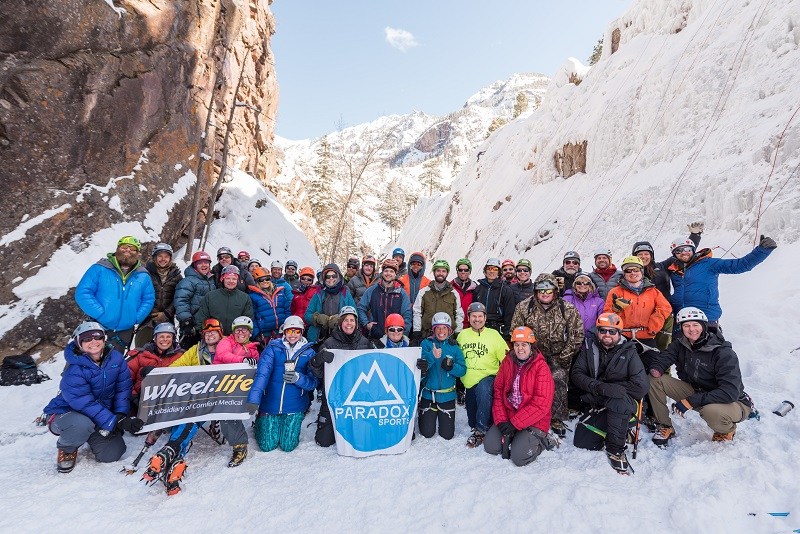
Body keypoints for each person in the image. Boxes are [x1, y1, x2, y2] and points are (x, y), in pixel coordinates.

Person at [43, 322, 143, 473]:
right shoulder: (74, 369)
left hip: (98, 415)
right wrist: (113, 421)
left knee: (112, 453)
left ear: (104, 339)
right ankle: (67, 447)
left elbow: (123, 387)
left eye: (98, 337)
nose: (93, 342)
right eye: (87, 339)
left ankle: (90, 435)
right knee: (81, 425)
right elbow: (84, 403)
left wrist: (121, 414)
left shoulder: (116, 358)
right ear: (78, 342)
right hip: (67, 412)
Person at [648, 307, 754, 447]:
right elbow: (665, 357)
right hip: (699, 392)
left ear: (704, 326)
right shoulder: (681, 344)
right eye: (686, 325)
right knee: (654, 380)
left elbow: (730, 392)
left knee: (710, 411)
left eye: (695, 325)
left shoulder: (723, 353)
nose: (691, 329)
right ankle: (665, 426)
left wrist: (691, 401)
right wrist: (657, 368)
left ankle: (726, 430)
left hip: (732, 402)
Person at [571, 313, 649, 474]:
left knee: (617, 400)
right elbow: (577, 374)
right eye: (603, 330)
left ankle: (616, 449)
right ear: (597, 332)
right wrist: (601, 388)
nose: (607, 335)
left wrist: (613, 389)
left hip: (626, 404)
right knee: (583, 442)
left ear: (619, 334)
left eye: (612, 331)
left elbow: (641, 386)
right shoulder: (589, 348)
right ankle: (618, 430)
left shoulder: (630, 352)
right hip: (598, 399)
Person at [510, 273, 584, 437]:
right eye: (541, 290)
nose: (545, 293)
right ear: (536, 291)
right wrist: (524, 354)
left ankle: (556, 418)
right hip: (531, 355)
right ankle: (529, 414)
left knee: (556, 382)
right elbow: (515, 332)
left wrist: (565, 356)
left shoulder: (567, 308)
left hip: (557, 355)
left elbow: (577, 334)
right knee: (529, 385)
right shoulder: (524, 307)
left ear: (555, 291)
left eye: (549, 290)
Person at [667, 235, 777, 333]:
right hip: (681, 319)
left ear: (693, 249)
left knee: (711, 352)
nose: (683, 252)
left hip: (706, 318)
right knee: (680, 353)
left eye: (686, 249)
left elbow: (740, 265)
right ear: (674, 255)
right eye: (678, 251)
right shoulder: (674, 270)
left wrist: (762, 251)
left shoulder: (709, 264)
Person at [484, 326, 555, 467]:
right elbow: (498, 392)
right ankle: (517, 436)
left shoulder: (541, 368)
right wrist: (502, 421)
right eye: (516, 345)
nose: (520, 349)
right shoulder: (507, 362)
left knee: (519, 458)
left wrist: (514, 424)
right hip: (510, 415)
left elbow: (541, 404)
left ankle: (542, 441)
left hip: (534, 420)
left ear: (531, 346)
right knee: (491, 446)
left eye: (524, 345)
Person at [247, 316, 317, 453]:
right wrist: (254, 399)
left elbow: (313, 383)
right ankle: (261, 422)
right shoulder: (273, 348)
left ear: (301, 332)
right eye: (290, 331)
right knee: (267, 446)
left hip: (294, 405)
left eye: (296, 331)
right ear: (284, 332)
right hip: (271, 403)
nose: (293, 335)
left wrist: (298, 378)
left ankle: (285, 423)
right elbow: (262, 375)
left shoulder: (309, 352)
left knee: (288, 446)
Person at [75, 236, 155, 353]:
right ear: (117, 248)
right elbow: (83, 292)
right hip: (98, 327)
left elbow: (148, 299)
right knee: (88, 363)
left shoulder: (143, 275)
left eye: (132, 249)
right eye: (124, 247)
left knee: (114, 365)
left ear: (137, 253)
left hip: (124, 331)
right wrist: (100, 313)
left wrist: (135, 317)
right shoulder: (100, 268)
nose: (128, 250)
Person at [309, 306, 375, 447]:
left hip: (358, 399)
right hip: (335, 399)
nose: (349, 323)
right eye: (345, 320)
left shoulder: (365, 343)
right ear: (340, 323)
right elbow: (318, 373)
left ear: (356, 323)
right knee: (324, 441)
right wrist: (318, 359)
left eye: (352, 320)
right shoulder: (329, 343)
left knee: (363, 437)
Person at [603, 256, 672, 370]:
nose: (632, 273)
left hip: (647, 336)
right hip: (623, 337)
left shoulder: (653, 291)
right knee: (621, 370)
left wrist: (654, 324)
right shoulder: (615, 292)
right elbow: (606, 315)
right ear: (624, 273)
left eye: (636, 269)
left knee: (652, 369)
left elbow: (665, 307)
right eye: (628, 270)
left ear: (641, 271)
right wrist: (615, 310)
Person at [457, 302, 508, 448]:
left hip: (489, 378)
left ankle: (481, 431)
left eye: (480, 316)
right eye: (474, 316)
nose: (477, 319)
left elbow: (506, 361)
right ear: (469, 317)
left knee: (484, 389)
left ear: (485, 318)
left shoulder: (494, 335)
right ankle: (483, 423)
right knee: (471, 421)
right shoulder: (462, 335)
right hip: (469, 383)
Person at [417, 313, 467, 440]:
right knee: (427, 433)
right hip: (429, 394)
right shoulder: (426, 344)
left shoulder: (453, 347)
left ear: (449, 330)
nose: (441, 331)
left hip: (447, 395)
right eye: (438, 328)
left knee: (447, 435)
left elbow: (463, 370)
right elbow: (421, 367)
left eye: (444, 328)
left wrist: (452, 367)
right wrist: (432, 356)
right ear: (433, 330)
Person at [134, 243, 183, 347]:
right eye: (160, 256)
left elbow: (179, 298)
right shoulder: (145, 274)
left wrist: (166, 314)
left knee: (167, 350)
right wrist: (149, 311)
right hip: (147, 318)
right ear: (154, 257)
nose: (163, 259)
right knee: (141, 348)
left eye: (166, 256)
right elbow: (137, 295)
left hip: (167, 318)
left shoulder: (177, 276)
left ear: (170, 258)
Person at [126, 322, 184, 402]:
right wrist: (134, 396)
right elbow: (125, 378)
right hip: (141, 398)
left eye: (168, 337)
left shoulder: (181, 356)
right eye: (161, 337)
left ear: (173, 339)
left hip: (170, 400)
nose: (165, 340)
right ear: (155, 338)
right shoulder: (141, 355)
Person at [357, 259, 412, 342]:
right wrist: (366, 324)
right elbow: (361, 308)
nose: (388, 274)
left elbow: (407, 314)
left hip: (395, 338)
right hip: (375, 336)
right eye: (386, 271)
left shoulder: (401, 293)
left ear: (395, 274)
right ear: (382, 273)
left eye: (391, 271)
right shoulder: (372, 290)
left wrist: (404, 334)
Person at [411, 259, 464, 344]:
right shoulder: (424, 292)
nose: (440, 273)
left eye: (443, 271)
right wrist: (417, 332)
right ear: (434, 272)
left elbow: (459, 314)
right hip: (427, 336)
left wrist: (458, 333)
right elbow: (417, 312)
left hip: (448, 337)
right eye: (438, 270)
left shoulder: (453, 293)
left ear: (447, 273)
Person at [305, 263, 357, 343]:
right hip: (319, 337)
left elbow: (355, 314)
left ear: (338, 276)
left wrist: (340, 319)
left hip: (341, 337)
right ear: (324, 278)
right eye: (328, 277)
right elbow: (307, 315)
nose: (331, 278)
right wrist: (317, 318)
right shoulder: (318, 294)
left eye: (334, 276)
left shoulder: (345, 293)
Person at [174, 250, 216, 349]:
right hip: (192, 325)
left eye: (206, 262)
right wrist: (186, 321)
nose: (204, 265)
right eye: (200, 263)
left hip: (208, 325)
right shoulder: (188, 281)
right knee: (190, 353)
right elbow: (181, 301)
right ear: (194, 265)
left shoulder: (212, 280)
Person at [195, 265, 253, 336]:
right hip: (213, 336)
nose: (231, 281)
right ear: (222, 279)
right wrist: (201, 332)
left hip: (235, 338)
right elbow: (202, 316)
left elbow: (248, 319)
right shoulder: (210, 296)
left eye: (234, 279)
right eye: (228, 278)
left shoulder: (244, 297)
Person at [472, 257, 515, 340]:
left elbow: (509, 314)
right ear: (485, 271)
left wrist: (506, 333)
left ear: (499, 272)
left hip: (498, 329)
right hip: (479, 327)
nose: (491, 271)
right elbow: (473, 310)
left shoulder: (505, 290)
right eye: (489, 268)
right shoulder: (478, 289)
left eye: (495, 269)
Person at [249, 267, 292, 343]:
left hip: (281, 331)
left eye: (267, 279)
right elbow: (252, 316)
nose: (265, 281)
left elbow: (287, 310)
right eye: (261, 279)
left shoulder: (280, 293)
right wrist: (256, 334)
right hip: (265, 334)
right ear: (256, 281)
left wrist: (288, 325)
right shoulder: (253, 296)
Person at [451, 258, 477, 331]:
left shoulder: (475, 288)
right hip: (453, 326)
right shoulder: (450, 287)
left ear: (470, 271)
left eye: (466, 270)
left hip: (470, 326)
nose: (463, 272)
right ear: (457, 271)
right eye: (460, 270)